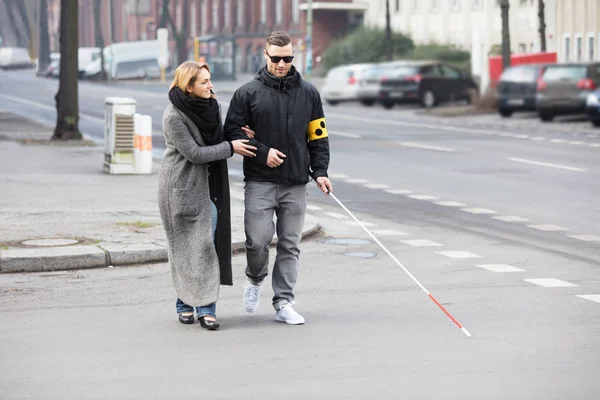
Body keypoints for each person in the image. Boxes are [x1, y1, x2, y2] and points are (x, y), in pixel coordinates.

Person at [224, 31, 333, 325]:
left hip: (296, 183)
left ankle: (283, 301)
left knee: (289, 244)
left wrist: (320, 172)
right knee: (257, 242)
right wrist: (262, 153)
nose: (282, 64)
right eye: (276, 59)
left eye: (287, 58)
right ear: (265, 56)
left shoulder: (309, 94)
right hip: (260, 181)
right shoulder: (247, 93)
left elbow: (318, 137)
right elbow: (231, 133)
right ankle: (255, 277)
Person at [158, 61, 256, 330]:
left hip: (210, 187)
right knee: (185, 248)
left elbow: (213, 139)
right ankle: (186, 303)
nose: (211, 86)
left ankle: (204, 307)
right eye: (204, 82)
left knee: (205, 246)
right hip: (181, 188)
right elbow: (196, 153)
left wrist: (235, 136)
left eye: (210, 80)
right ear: (188, 87)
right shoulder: (173, 116)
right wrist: (230, 147)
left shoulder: (213, 106)